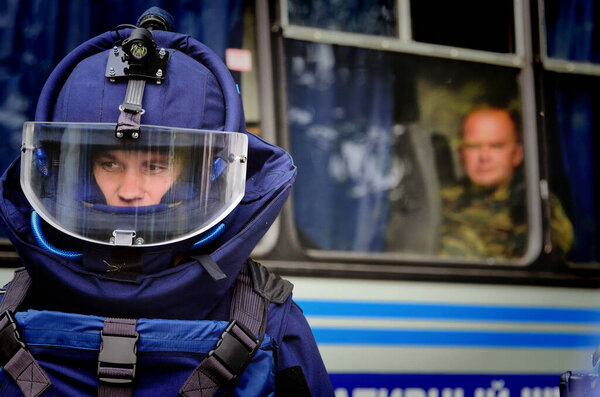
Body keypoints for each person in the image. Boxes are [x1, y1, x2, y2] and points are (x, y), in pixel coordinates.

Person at [0, 8, 334, 396]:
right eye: (109, 162)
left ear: (203, 175)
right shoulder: (18, 302)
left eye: (155, 166)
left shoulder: (272, 321)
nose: (129, 189)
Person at [439, 106, 573, 259]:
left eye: (496, 145)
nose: (484, 156)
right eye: (474, 146)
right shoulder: (438, 201)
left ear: (517, 153)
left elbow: (540, 267)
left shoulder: (535, 206)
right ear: (461, 153)